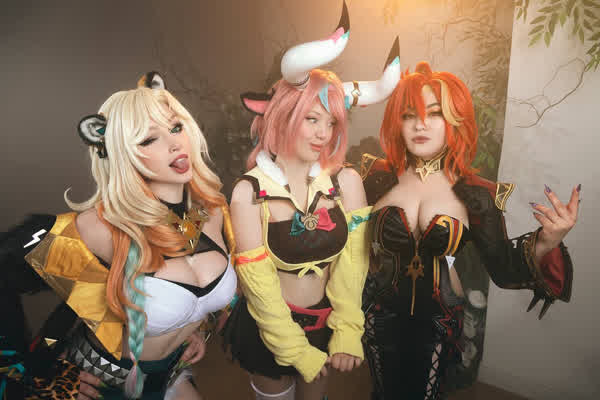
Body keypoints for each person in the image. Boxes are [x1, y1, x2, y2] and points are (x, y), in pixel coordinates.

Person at [0, 72, 237, 399]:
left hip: (168, 374)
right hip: (102, 381)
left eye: (175, 127)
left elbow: (197, 287)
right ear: (121, 152)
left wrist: (193, 326)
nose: (175, 144)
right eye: (149, 139)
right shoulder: (102, 227)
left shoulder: (210, 211)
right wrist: (30, 372)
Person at [360, 61, 577, 400]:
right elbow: (342, 243)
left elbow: (504, 268)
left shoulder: (476, 194)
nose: (420, 124)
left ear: (454, 120)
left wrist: (548, 240)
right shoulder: (376, 177)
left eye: (434, 113)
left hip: (439, 319)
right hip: (378, 314)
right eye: (408, 115)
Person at [223, 3, 401, 400]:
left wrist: (347, 329)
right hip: (268, 329)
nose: (324, 133)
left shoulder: (347, 182)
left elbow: (353, 263)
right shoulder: (248, 192)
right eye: (312, 119)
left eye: (331, 122)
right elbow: (258, 283)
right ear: (284, 115)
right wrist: (293, 349)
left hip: (323, 325)